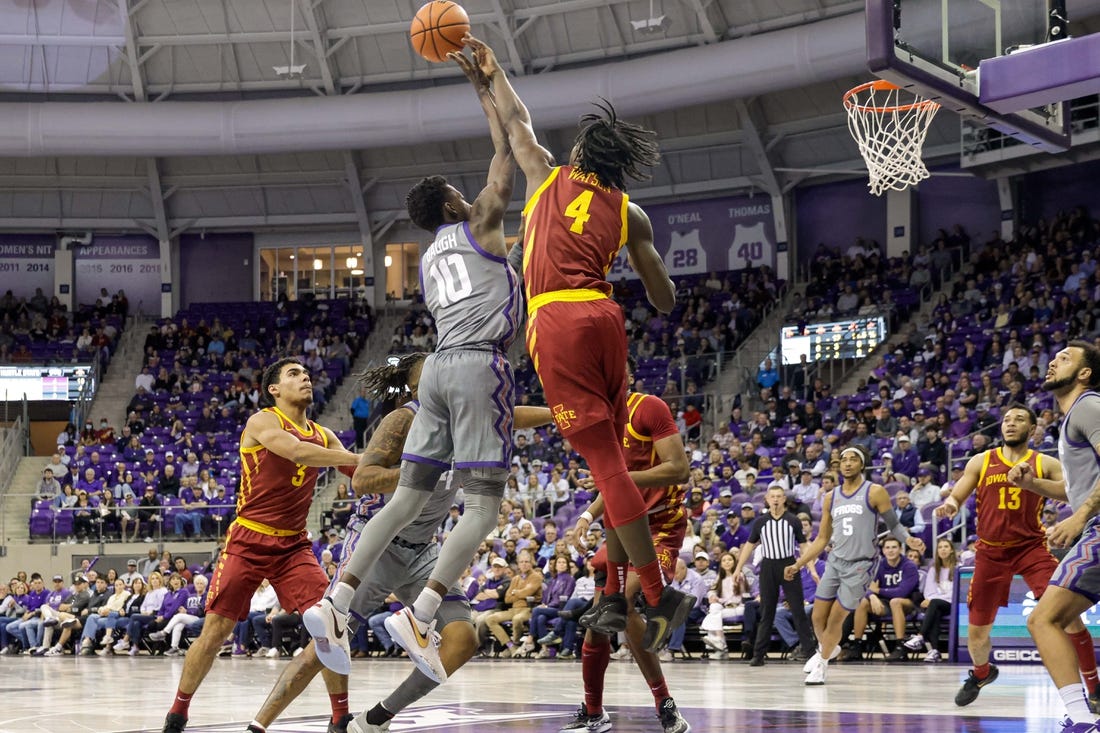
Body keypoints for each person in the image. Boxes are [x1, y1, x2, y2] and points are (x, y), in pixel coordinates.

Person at [460, 33, 692, 654]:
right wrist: (651, 272)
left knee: (608, 468)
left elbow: (517, 121)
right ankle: (612, 594)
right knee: (615, 463)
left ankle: (658, 593)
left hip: (557, 318)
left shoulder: (547, 176)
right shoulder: (630, 212)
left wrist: (492, 73)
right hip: (606, 319)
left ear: (583, 152)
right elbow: (663, 298)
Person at [305, 47, 525, 686]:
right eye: (460, 191)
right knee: (483, 507)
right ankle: (423, 611)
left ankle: (337, 600)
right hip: (479, 365)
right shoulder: (480, 222)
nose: (469, 192)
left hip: (436, 370)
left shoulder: (428, 258)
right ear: (455, 204)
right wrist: (486, 89)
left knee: (405, 498)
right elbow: (507, 152)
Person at [246, 355, 552, 733]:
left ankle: (376, 718)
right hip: (378, 544)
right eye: (434, 369)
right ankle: (258, 726)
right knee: (322, 648)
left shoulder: (465, 417)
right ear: (416, 386)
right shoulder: (403, 419)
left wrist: (559, 413)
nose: (445, 372)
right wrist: (415, 474)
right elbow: (362, 479)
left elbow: (508, 413)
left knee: (462, 640)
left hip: (424, 549)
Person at [159, 357, 360, 733]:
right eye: (294, 374)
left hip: (294, 546)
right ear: (274, 389)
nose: (305, 377)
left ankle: (340, 718)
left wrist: (407, 469)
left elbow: (360, 474)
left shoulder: (324, 435)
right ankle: (177, 713)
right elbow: (298, 452)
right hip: (249, 538)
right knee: (216, 630)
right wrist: (358, 459)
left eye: (306, 373)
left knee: (330, 626)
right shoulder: (262, 421)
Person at [935, 402, 1098, 714]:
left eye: (1019, 419)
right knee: (977, 635)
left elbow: (1072, 489)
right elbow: (959, 493)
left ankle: (1094, 686)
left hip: (1031, 548)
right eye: (1007, 419)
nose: (1010, 423)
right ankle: (982, 673)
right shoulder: (982, 460)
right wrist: (952, 504)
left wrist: (1058, 499)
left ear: (1032, 429)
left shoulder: (1043, 462)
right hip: (990, 552)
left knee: (1068, 617)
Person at [563, 360, 692, 733]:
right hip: (621, 524)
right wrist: (587, 515)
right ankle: (594, 711)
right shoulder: (597, 422)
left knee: (623, 602)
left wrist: (619, 477)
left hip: (660, 526)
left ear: (628, 377)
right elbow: (611, 484)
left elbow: (679, 469)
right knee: (599, 621)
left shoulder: (649, 407)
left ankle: (664, 702)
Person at [785, 446, 924, 685]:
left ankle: (822, 663)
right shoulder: (831, 497)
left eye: (853, 459)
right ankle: (827, 648)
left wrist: (908, 539)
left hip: (861, 565)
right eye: (844, 460)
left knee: (835, 618)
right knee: (817, 616)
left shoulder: (875, 491)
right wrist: (799, 564)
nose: (847, 463)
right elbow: (822, 538)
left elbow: (893, 524)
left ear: (862, 464)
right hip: (835, 562)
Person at [1022, 342, 1100, 730]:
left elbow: (1083, 501)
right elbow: (1076, 490)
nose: (1054, 361)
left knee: (1044, 619)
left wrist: (1081, 517)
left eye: (1065, 358)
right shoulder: (1073, 418)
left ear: (1085, 373)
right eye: (1054, 358)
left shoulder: (1088, 406)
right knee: (1051, 619)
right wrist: (1033, 483)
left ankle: (1082, 719)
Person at [732, 485, 815, 666]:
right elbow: (749, 545)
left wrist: (813, 570)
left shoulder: (793, 520)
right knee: (766, 612)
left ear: (784, 499)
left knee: (798, 611)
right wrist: (738, 568)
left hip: (789, 565)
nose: (776, 499)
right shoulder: (760, 522)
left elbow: (803, 546)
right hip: (768, 566)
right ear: (767, 499)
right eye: (773, 496)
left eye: (779, 496)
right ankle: (759, 655)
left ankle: (810, 653)